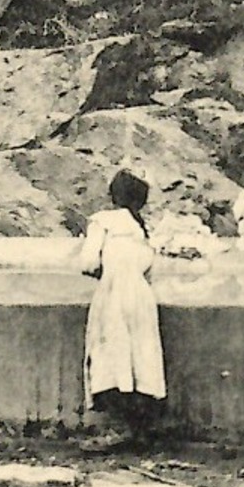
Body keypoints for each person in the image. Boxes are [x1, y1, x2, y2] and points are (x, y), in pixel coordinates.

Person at [80, 169, 166, 447]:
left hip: (113, 293)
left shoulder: (102, 222)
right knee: (140, 358)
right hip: (141, 297)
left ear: (113, 196)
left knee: (111, 357)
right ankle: (140, 429)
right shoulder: (140, 229)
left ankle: (119, 429)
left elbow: (88, 263)